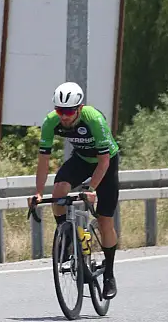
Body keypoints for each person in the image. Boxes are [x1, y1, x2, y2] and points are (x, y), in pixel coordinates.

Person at [28, 81, 121, 299]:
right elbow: (43, 160)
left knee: (105, 220)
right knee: (59, 190)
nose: (64, 116)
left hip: (105, 162)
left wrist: (91, 188)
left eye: (69, 111)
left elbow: (104, 161)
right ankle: (66, 237)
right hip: (80, 159)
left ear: (79, 107)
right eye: (60, 111)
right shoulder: (51, 122)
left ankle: (108, 275)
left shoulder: (93, 119)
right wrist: (39, 192)